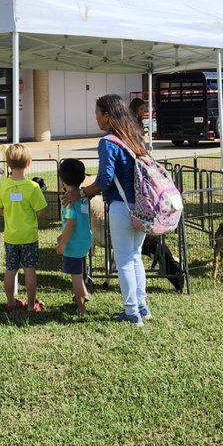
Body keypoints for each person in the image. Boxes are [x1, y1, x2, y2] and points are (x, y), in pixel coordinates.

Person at [62, 94, 151, 326]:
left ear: (108, 116)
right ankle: (142, 306)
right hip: (142, 206)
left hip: (121, 207)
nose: (96, 118)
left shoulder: (108, 142)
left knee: (123, 259)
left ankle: (132, 313)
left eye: (97, 113)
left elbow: (104, 179)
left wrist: (80, 193)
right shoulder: (135, 137)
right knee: (135, 257)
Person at [0, 143, 48, 313]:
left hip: (11, 236)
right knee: (30, 270)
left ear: (8, 163)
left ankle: (10, 302)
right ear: (29, 162)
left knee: (10, 270)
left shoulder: (3, 185)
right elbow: (40, 212)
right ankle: (31, 305)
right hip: (29, 236)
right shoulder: (33, 187)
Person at [56, 158, 92, 315]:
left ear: (61, 179)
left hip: (73, 244)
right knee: (79, 272)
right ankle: (84, 294)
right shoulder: (83, 196)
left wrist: (62, 242)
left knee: (76, 277)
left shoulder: (68, 200)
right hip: (84, 241)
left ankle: (81, 308)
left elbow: (71, 223)